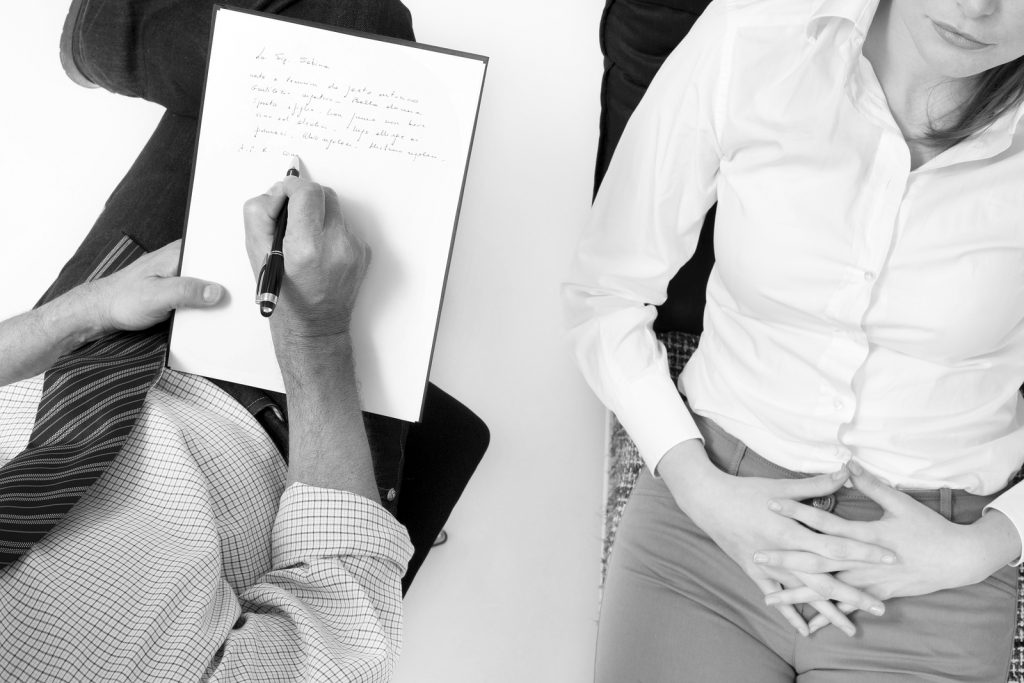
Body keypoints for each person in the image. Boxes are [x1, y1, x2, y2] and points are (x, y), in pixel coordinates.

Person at [0, 0, 485, 679]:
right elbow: (344, 627)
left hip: (85, 352)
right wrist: (316, 341)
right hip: (288, 423)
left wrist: (84, 310)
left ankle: (107, 35)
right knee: (357, 32)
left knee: (321, 44)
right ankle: (107, 35)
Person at [565, 0, 1024, 680]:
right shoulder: (754, 36)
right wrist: (700, 489)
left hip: (935, 571)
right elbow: (605, 290)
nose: (975, 6)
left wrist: (984, 545)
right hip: (708, 528)